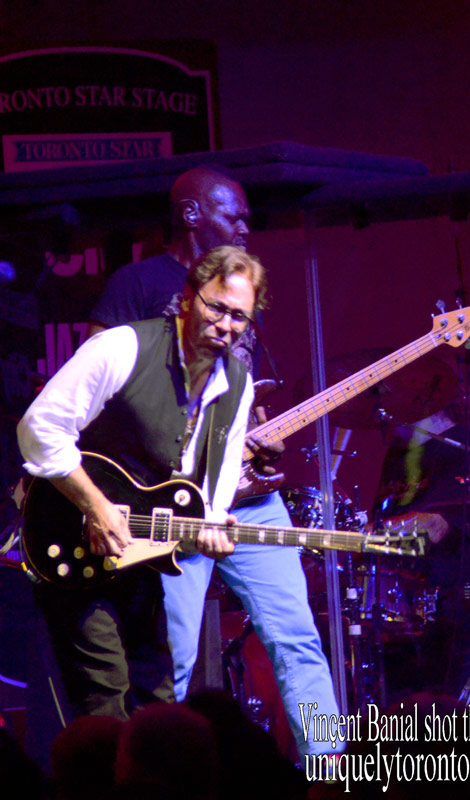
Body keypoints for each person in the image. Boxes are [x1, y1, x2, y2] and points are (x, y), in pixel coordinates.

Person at [87, 165, 342, 761]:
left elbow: (235, 396)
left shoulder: (239, 287)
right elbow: (97, 386)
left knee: (298, 640)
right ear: (193, 215)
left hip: (249, 501)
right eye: (236, 215)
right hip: (170, 503)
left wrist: (257, 437)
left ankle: (330, 772)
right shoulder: (139, 282)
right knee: (169, 658)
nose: (247, 227)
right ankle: (155, 779)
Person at [17, 245, 260, 720]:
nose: (226, 323)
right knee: (104, 694)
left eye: (239, 316)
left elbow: (212, 494)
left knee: (158, 699)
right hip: (71, 539)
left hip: (143, 559)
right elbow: (39, 427)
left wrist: (210, 527)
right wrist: (95, 505)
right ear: (188, 297)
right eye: (216, 306)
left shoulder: (238, 385)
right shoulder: (122, 346)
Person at [372, 400, 470, 699]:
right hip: (407, 607)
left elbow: (434, 526)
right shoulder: (397, 456)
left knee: (456, 707)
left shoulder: (464, 450)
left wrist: (362, 533)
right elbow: (386, 526)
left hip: (462, 600)